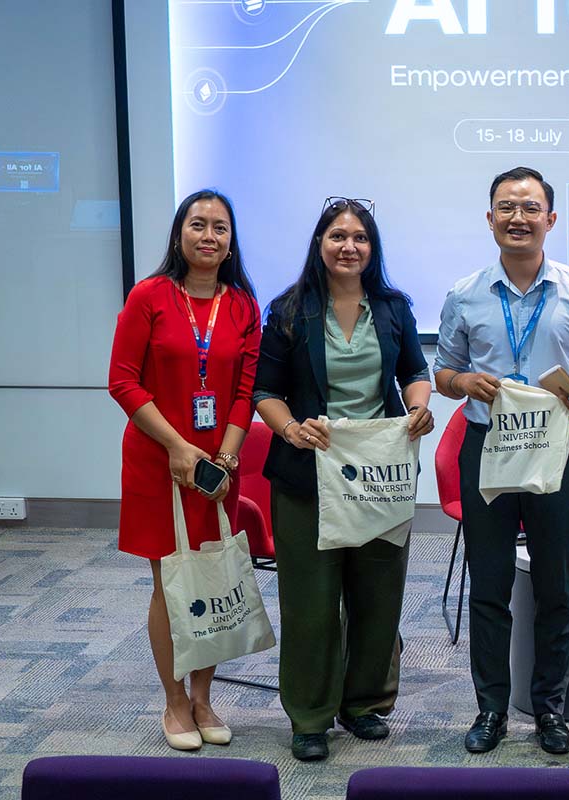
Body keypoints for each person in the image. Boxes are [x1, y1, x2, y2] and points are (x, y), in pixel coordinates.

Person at [434, 166, 569, 755]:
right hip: (486, 448)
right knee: (489, 587)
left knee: (555, 587)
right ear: (490, 219)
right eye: (506, 208)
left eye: (530, 208)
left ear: (551, 220)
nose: (518, 217)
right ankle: (491, 709)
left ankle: (549, 710)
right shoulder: (464, 293)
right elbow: (442, 374)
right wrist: (464, 379)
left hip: (554, 452)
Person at [253, 197, 434, 762]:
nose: (348, 246)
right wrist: (288, 430)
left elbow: (415, 372)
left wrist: (419, 408)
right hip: (308, 473)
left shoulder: (394, 307)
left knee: (378, 591)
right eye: (337, 236)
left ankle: (365, 705)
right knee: (310, 599)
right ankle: (310, 716)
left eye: (359, 238)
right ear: (319, 244)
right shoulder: (289, 310)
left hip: (379, 469)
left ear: (372, 248)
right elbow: (265, 391)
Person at [108, 190, 261, 751]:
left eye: (220, 228)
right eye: (198, 225)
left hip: (217, 465)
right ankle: (173, 702)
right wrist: (176, 446)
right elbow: (122, 380)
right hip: (157, 459)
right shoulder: (149, 295)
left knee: (212, 578)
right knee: (170, 584)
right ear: (179, 235)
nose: (208, 236)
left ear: (230, 242)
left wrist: (225, 454)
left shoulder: (242, 305)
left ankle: (203, 697)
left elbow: (247, 391)